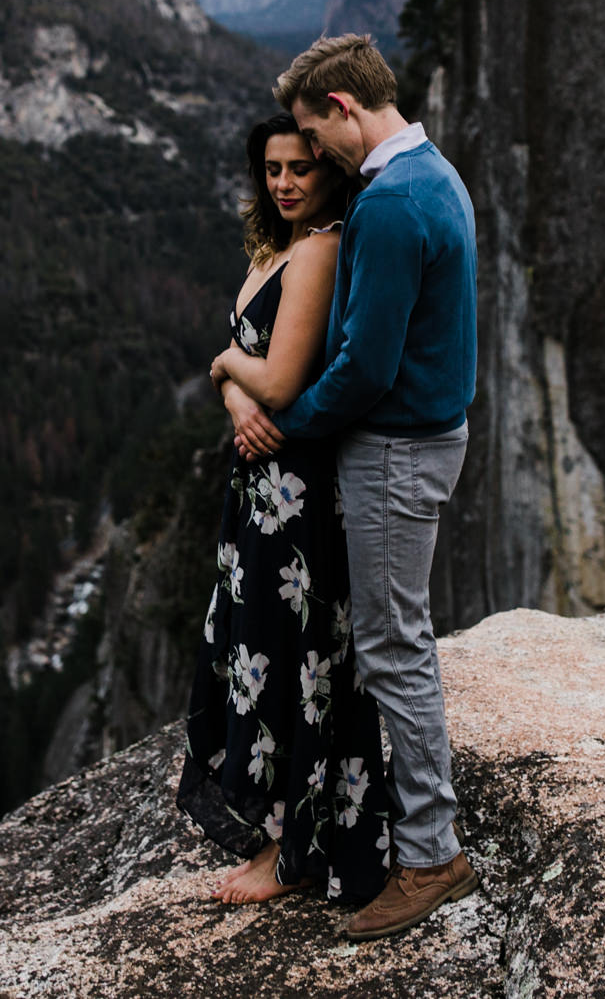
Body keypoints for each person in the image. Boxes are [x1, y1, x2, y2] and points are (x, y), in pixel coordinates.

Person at [223, 33, 479, 941]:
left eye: (309, 133)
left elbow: (366, 367)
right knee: (392, 635)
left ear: (341, 108)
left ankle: (429, 853)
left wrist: (280, 425)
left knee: (391, 642)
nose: (308, 157)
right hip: (422, 438)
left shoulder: (394, 201)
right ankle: (411, 831)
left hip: (396, 449)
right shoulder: (433, 173)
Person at [179, 112, 394, 908]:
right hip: (259, 492)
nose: (285, 182)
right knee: (259, 652)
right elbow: (251, 383)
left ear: (329, 169)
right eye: (272, 168)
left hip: (295, 497)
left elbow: (279, 380)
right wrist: (234, 389)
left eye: (300, 166)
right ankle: (284, 835)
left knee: (295, 661)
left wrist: (228, 368)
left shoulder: (321, 249)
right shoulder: (275, 247)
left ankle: (294, 849)